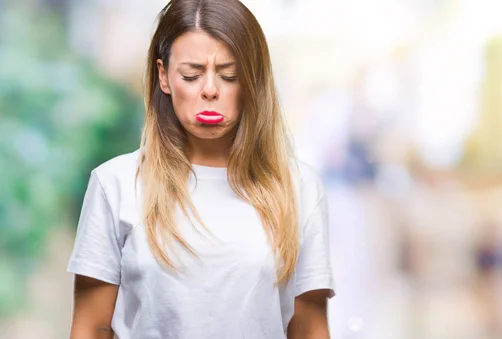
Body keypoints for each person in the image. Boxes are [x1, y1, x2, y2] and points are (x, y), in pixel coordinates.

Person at [66, 0, 336, 338]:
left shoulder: (299, 188)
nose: (210, 90)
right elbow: (91, 327)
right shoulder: (114, 184)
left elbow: (310, 328)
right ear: (163, 75)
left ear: (253, 79)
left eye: (230, 75)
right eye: (191, 75)